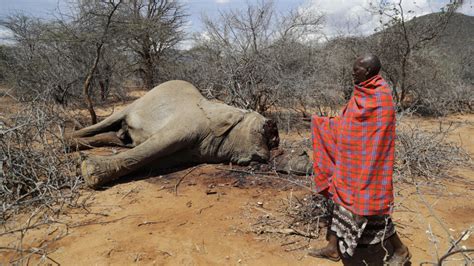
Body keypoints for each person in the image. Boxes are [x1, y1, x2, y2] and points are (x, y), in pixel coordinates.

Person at [308, 54, 411, 264]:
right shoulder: (360, 93)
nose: (353, 72)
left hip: (371, 165)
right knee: (340, 200)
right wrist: (324, 124)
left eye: (357, 69)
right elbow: (349, 124)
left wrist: (368, 162)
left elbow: (379, 135)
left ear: (369, 71)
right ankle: (333, 247)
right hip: (350, 162)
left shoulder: (381, 97)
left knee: (371, 209)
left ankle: (400, 250)